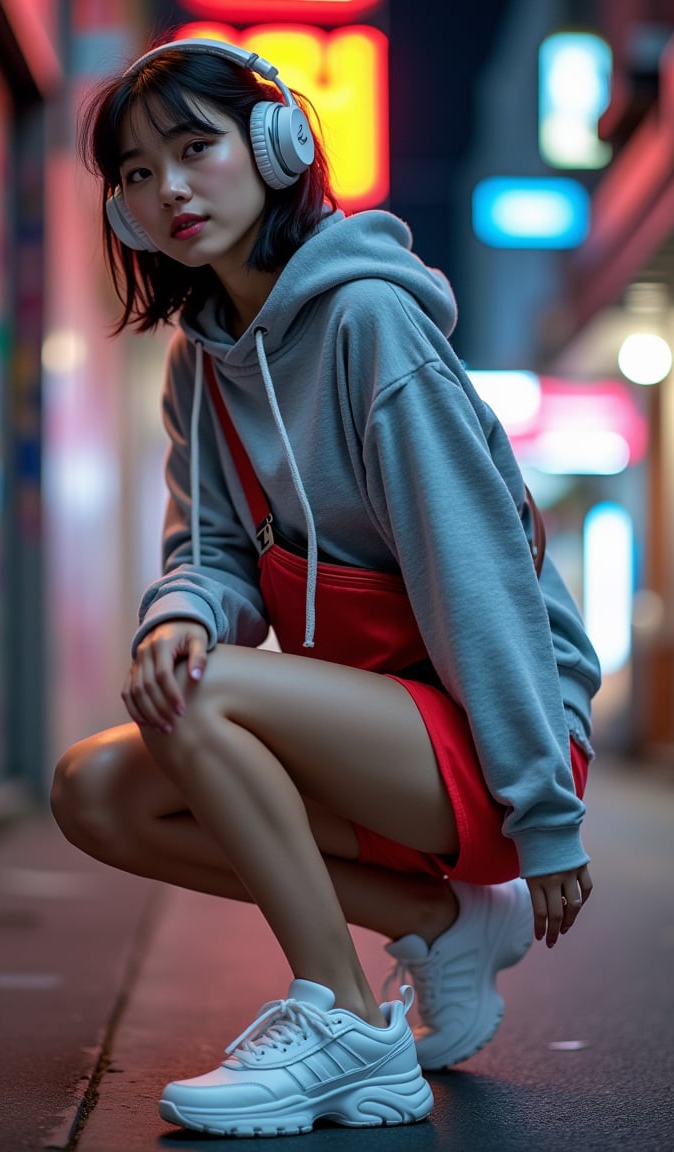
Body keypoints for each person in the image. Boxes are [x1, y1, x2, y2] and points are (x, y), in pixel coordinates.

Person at [50, 34, 601, 1139]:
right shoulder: (201, 360)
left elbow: (478, 580)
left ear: (278, 143)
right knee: (93, 788)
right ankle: (435, 922)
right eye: (139, 175)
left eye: (196, 148)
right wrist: (183, 615)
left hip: (500, 741)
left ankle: (346, 1026)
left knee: (204, 696)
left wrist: (546, 816)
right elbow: (207, 548)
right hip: (367, 733)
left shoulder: (369, 323)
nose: (170, 191)